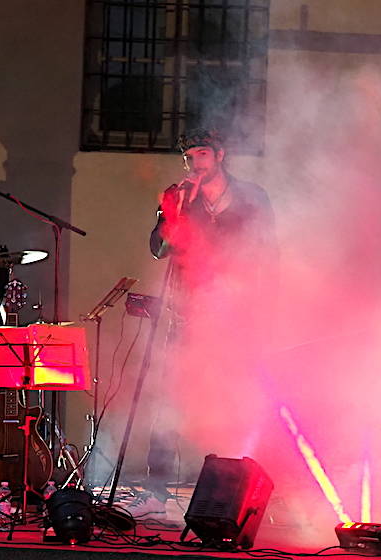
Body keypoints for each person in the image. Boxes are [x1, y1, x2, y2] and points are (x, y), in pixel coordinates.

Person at [127, 129, 279, 517]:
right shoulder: (178, 198)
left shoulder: (252, 197)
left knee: (237, 399)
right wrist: (174, 211)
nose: (196, 164)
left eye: (203, 155)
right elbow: (159, 249)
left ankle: (239, 494)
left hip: (236, 314)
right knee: (169, 401)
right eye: (190, 157)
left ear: (220, 155)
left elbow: (267, 252)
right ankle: (157, 492)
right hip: (186, 312)